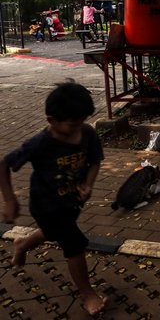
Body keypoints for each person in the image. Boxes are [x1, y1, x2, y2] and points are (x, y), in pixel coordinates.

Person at [0, 82, 107, 316]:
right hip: (46, 205)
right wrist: (10, 200)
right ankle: (87, 294)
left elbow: (95, 161)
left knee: (53, 232)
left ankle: (23, 244)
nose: (78, 129)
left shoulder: (87, 133)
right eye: (72, 124)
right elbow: (4, 164)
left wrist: (88, 184)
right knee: (74, 244)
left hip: (71, 203)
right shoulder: (40, 143)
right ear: (52, 120)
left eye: (82, 121)